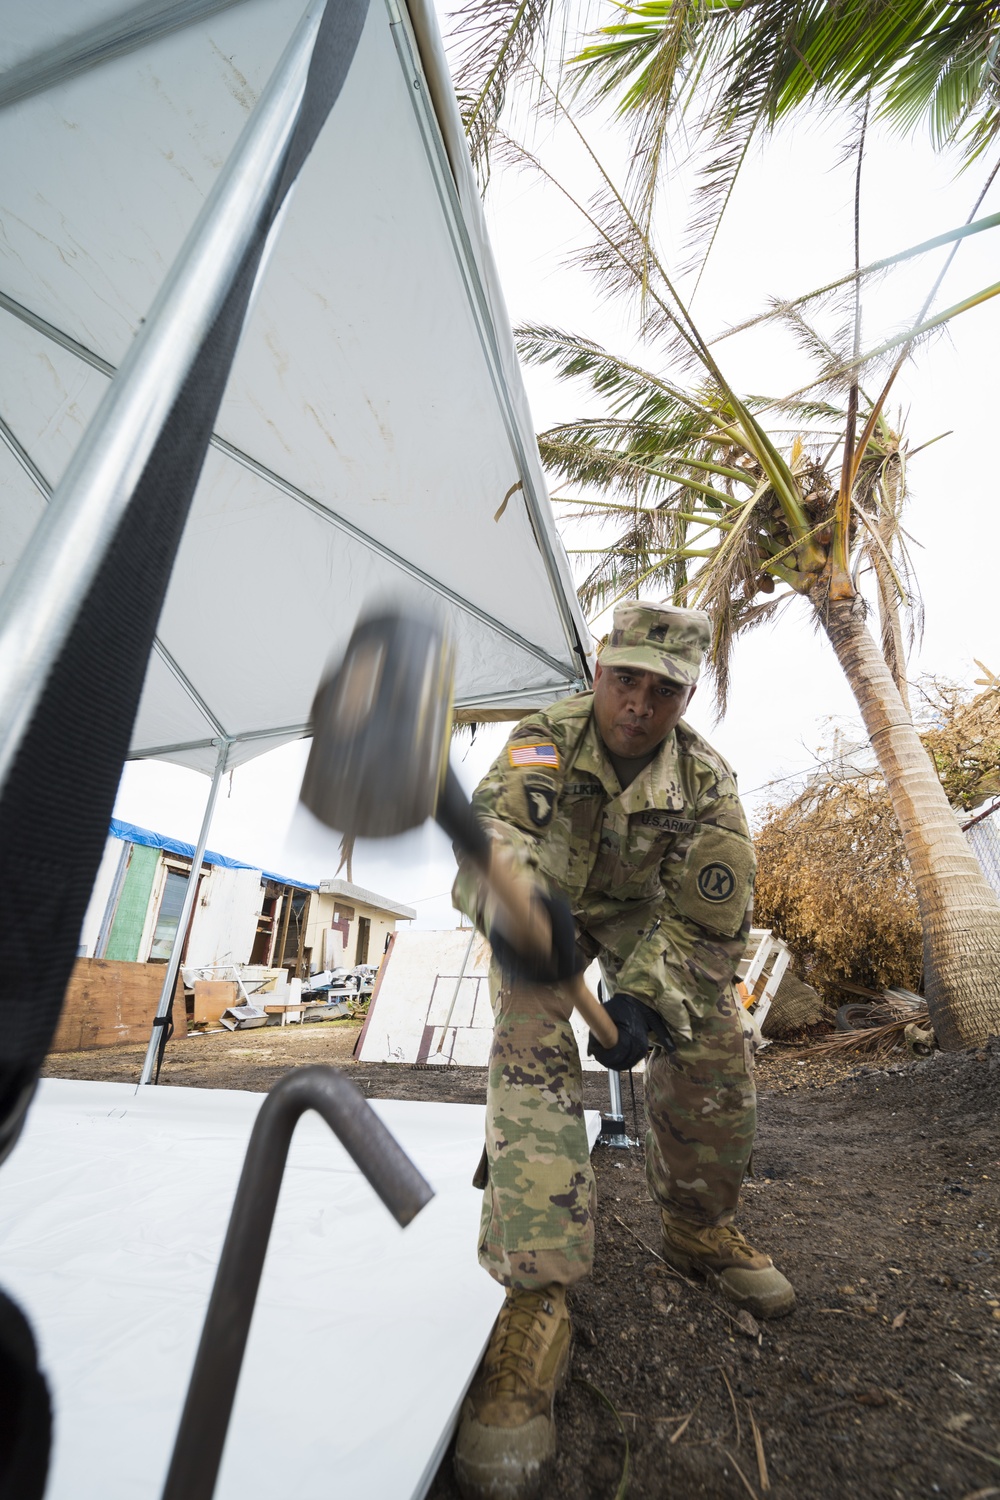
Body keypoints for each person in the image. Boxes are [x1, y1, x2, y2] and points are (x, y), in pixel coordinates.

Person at [450, 600, 794, 1500]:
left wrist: (645, 995)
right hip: (545, 915)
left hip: (650, 923)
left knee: (713, 1037)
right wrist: (524, 917)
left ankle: (695, 1224)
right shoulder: (543, 739)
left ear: (685, 697)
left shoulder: (709, 784)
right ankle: (537, 1292)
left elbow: (708, 917)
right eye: (624, 679)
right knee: (531, 1028)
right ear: (599, 669)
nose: (638, 704)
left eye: (664, 690)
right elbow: (494, 847)